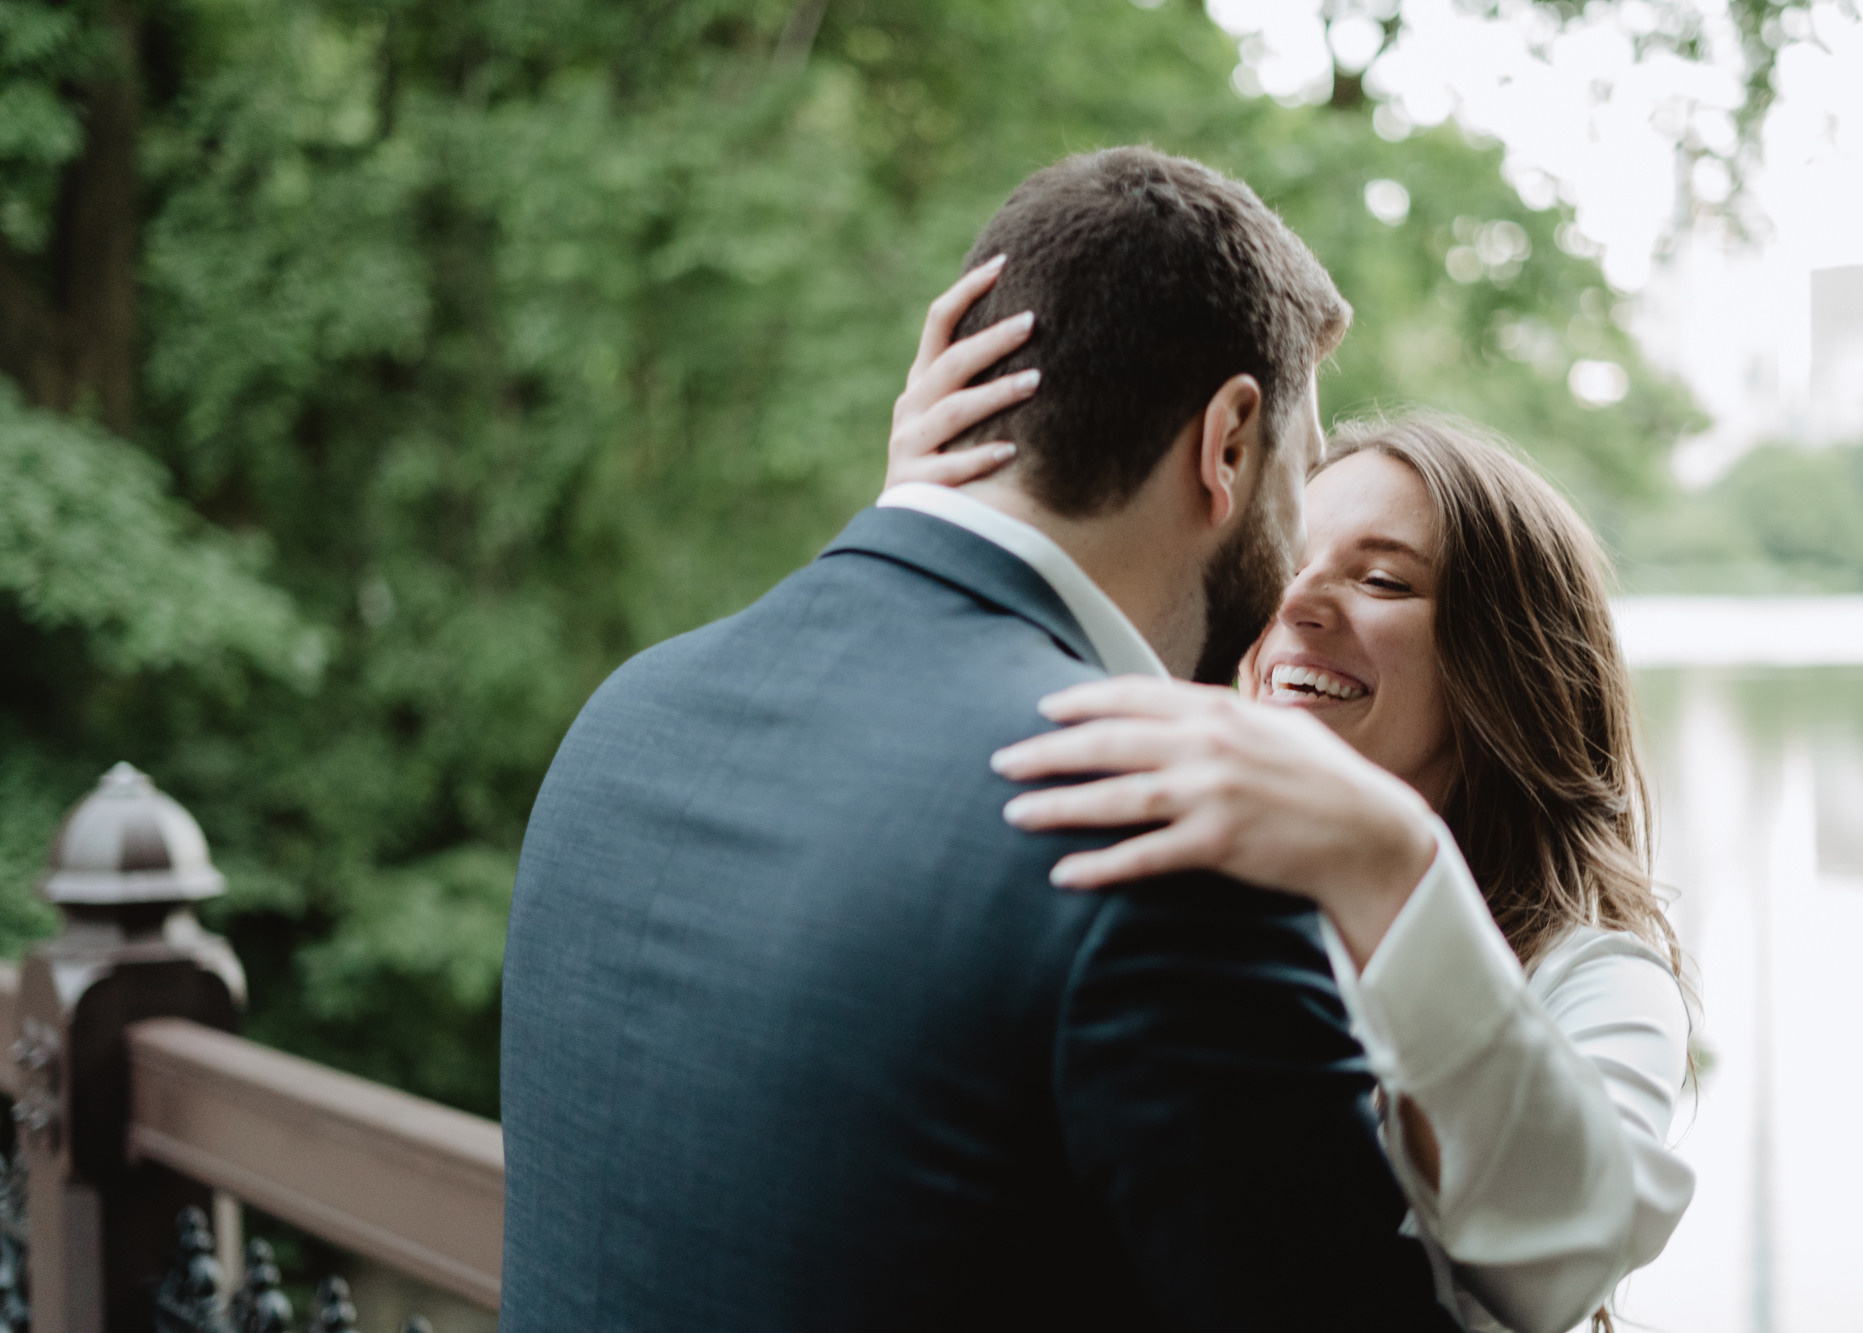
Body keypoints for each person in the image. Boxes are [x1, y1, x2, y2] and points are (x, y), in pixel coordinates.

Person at [500, 146, 1462, 1332]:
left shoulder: (629, 716)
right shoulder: (1139, 828)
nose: (1297, 538)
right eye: (1298, 475)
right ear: (1226, 443)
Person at [889, 321, 1695, 1333]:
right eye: (1289, 557)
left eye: (1383, 579)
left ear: (1504, 667)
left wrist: (1393, 867)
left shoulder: (1599, 981)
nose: (1296, 602)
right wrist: (932, 523)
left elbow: (1558, 1266)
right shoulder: (1160, 859)